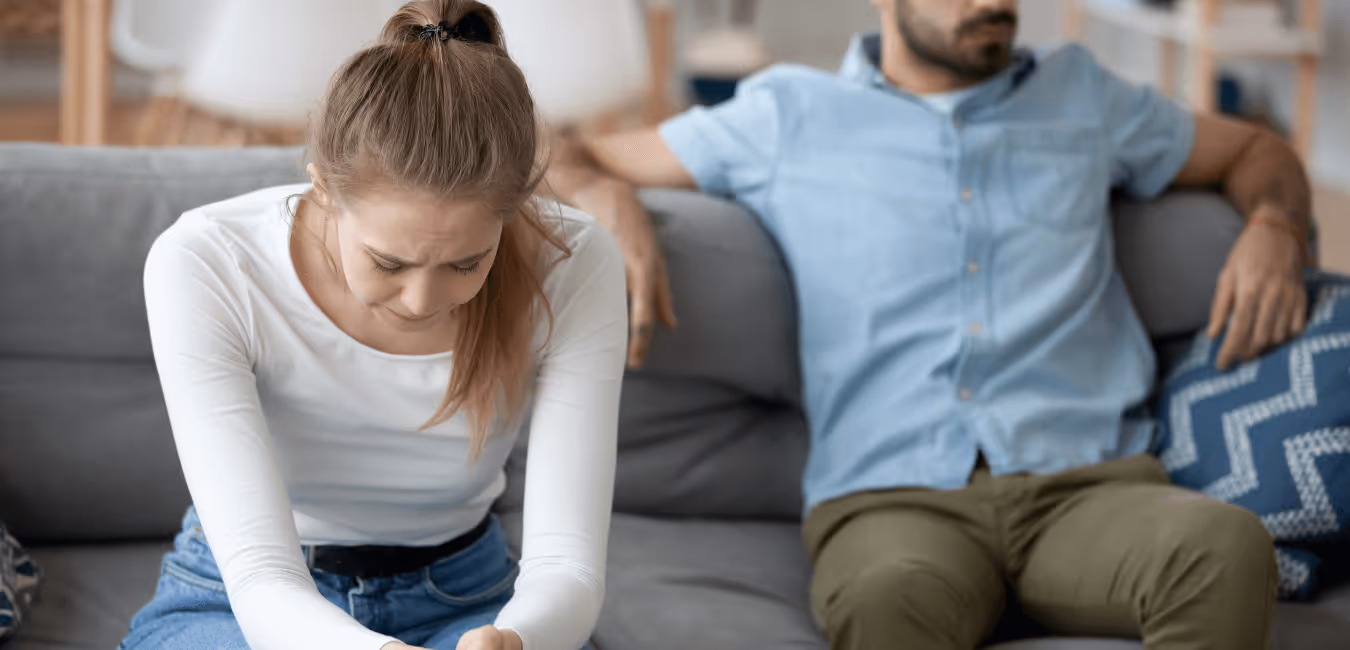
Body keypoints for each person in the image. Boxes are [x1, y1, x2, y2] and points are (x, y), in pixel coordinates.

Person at [547, 0, 1314, 648]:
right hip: (891, 502)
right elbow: (554, 150)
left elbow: (1256, 151)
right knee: (888, 599)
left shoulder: (1085, 95)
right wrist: (607, 197)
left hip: (1089, 489)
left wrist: (1276, 225)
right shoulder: (785, 115)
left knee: (1225, 546)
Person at [121, 2, 626, 650]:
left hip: (469, 600)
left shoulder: (574, 263)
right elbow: (260, 576)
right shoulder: (207, 261)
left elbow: (567, 566)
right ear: (324, 189)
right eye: (389, 261)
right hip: (247, 602)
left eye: (467, 262)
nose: (422, 300)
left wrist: (516, 639)